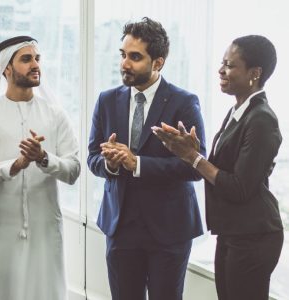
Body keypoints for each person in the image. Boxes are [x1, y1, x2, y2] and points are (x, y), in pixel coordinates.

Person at [152, 35, 283, 300]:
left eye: (229, 65)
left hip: (254, 236)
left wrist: (193, 157)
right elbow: (224, 167)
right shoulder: (239, 111)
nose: (220, 70)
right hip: (234, 231)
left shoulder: (262, 120)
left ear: (254, 73)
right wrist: (190, 147)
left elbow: (239, 188)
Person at [87, 17, 206, 300]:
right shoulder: (106, 100)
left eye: (135, 57)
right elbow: (93, 157)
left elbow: (196, 167)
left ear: (158, 62)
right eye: (123, 55)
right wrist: (110, 164)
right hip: (120, 226)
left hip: (169, 228)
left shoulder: (184, 102)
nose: (124, 64)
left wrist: (136, 164)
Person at [0, 36, 80, 300]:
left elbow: (73, 170)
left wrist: (43, 158)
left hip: (45, 231)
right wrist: (15, 165)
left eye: (37, 59)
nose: (35, 65)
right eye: (26, 59)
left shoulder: (55, 114)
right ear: (7, 68)